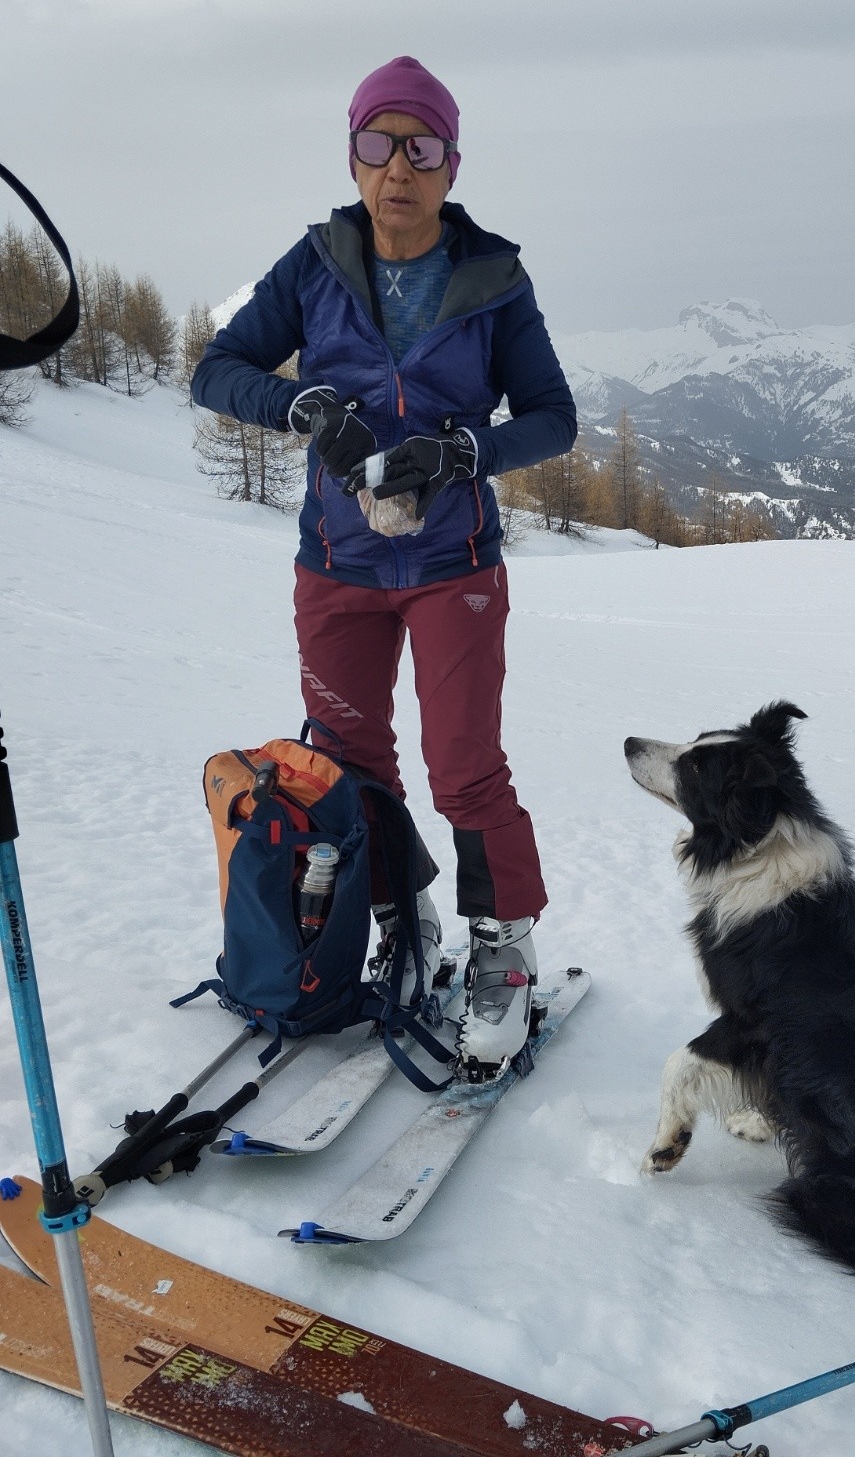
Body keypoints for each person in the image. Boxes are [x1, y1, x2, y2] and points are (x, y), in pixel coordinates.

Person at [191, 55, 576, 1079]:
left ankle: (502, 945)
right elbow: (215, 370)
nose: (396, 167)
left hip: (453, 561)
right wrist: (298, 406)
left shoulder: (493, 279)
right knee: (350, 756)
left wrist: (463, 453)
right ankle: (398, 916)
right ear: (352, 156)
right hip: (338, 561)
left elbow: (551, 418)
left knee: (464, 764)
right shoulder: (315, 263)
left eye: (420, 147)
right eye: (376, 143)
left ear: (452, 164)